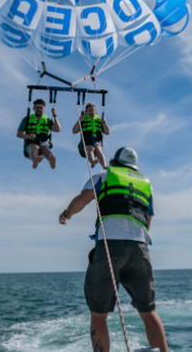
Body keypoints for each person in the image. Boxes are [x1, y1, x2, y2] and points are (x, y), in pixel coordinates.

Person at [59, 147, 168, 352]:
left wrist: (66, 214)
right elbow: (148, 219)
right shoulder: (146, 184)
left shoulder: (103, 176)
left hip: (109, 247)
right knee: (148, 311)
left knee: (98, 314)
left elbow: (82, 200)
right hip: (140, 249)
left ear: (114, 161)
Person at [17, 99, 61, 169]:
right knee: (34, 147)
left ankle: (51, 160)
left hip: (43, 143)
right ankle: (35, 161)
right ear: (34, 108)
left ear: (44, 109)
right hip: (30, 144)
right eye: (37, 107)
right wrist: (28, 136)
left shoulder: (48, 120)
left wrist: (55, 115)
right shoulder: (27, 119)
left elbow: (58, 129)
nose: (39, 109)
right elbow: (19, 134)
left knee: (44, 147)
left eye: (41, 108)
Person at [73, 102, 110, 169]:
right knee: (90, 148)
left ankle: (104, 166)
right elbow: (74, 131)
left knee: (98, 149)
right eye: (89, 110)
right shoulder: (83, 120)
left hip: (97, 142)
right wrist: (79, 121)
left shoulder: (99, 120)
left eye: (93, 110)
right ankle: (93, 161)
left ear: (95, 112)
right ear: (86, 112)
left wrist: (104, 122)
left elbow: (107, 132)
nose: (91, 112)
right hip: (85, 144)